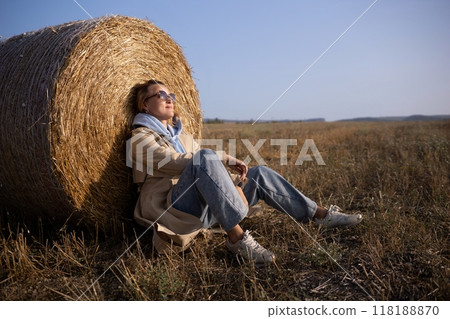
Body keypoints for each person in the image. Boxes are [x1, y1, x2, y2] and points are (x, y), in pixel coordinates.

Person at [130, 79, 362, 264]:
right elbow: (173, 162)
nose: (169, 99)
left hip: (207, 204)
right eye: (161, 95)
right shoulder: (139, 139)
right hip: (174, 209)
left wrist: (237, 186)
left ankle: (318, 215)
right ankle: (238, 239)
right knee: (205, 156)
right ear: (145, 105)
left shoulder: (184, 137)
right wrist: (224, 157)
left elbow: (209, 174)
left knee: (258, 174)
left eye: (171, 95)